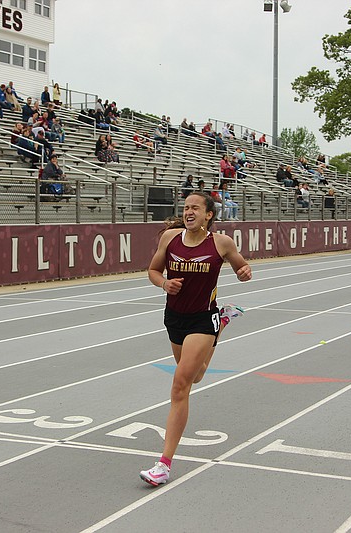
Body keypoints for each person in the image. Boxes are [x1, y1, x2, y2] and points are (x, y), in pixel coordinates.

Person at [140, 192, 251, 486]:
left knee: (180, 386)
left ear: (208, 215)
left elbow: (241, 266)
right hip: (174, 318)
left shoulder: (221, 243)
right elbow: (152, 270)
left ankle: (163, 465)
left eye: (195, 208)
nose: (188, 212)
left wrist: (244, 271)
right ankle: (224, 321)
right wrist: (164, 283)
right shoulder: (170, 239)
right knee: (197, 376)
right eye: (186, 207)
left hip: (202, 319)